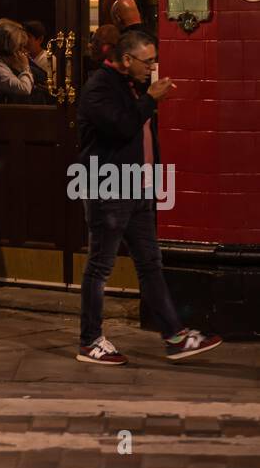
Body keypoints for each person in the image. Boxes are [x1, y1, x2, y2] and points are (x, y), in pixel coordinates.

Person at [76, 27, 221, 365]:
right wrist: (149, 99)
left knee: (150, 263)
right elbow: (123, 127)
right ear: (126, 59)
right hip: (108, 187)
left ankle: (175, 337)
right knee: (100, 266)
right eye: (147, 61)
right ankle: (89, 341)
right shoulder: (99, 88)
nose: (152, 68)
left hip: (137, 188)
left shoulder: (131, 85)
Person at [0, 18, 34, 102]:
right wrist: (25, 67)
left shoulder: (1, 61)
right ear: (10, 48)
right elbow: (24, 89)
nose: (23, 51)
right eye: (20, 47)